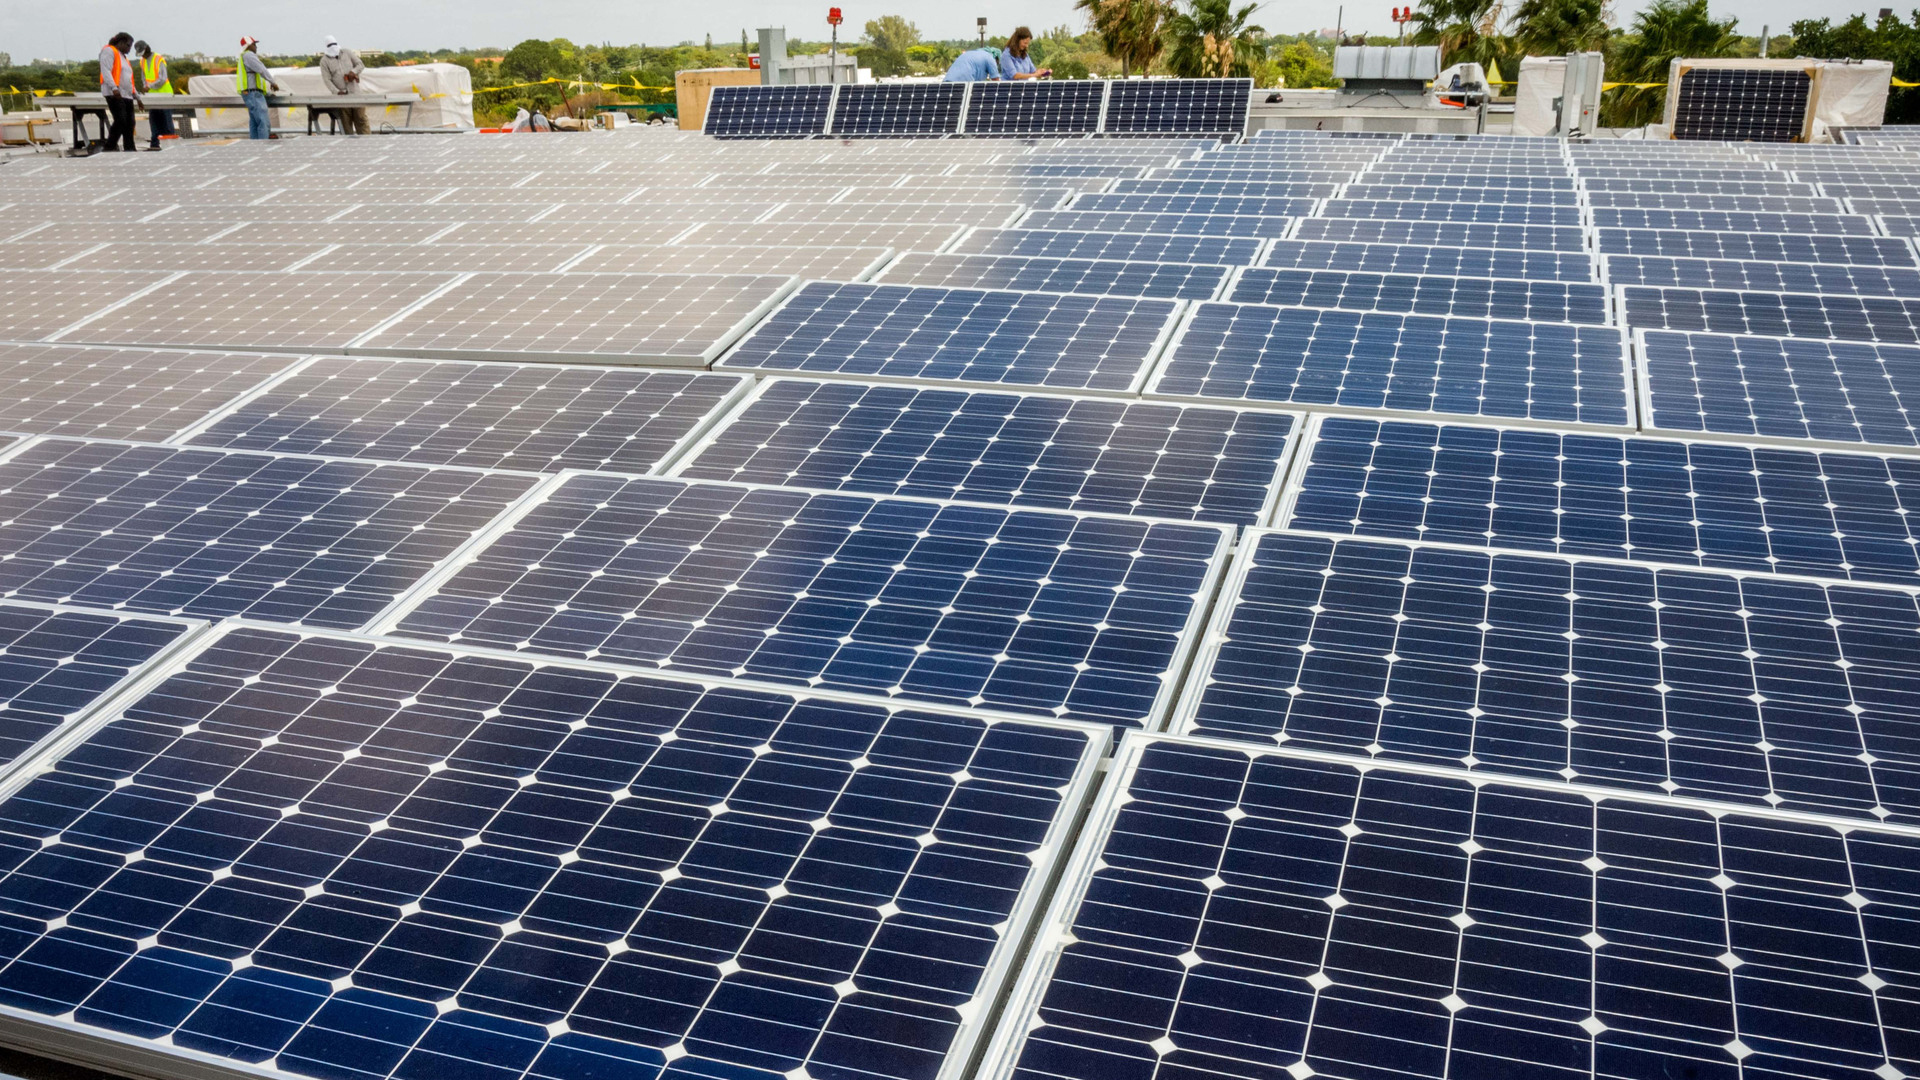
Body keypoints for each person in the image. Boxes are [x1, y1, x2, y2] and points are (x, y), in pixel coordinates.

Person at [318, 35, 369, 136]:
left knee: (361, 120)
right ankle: (349, 144)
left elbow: (360, 64)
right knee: (346, 123)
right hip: (342, 97)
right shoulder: (324, 61)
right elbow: (327, 79)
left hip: (356, 93)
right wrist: (337, 92)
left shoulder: (347, 53)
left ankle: (366, 142)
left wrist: (353, 72)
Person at [98, 32, 139, 152]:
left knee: (130, 123)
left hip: (127, 94)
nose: (129, 49)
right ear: (120, 43)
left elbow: (129, 79)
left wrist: (137, 96)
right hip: (115, 93)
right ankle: (109, 147)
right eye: (128, 45)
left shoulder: (123, 57)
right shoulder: (109, 51)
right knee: (121, 120)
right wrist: (114, 88)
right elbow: (106, 70)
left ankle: (130, 148)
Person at [236, 36, 282, 140]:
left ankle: (255, 145)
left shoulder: (244, 56)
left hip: (250, 93)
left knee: (255, 123)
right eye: (254, 44)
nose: (256, 47)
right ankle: (263, 145)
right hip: (253, 94)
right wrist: (272, 82)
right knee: (263, 122)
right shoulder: (248, 55)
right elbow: (261, 69)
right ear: (248, 45)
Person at [133, 41, 173, 150]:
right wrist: (145, 86)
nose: (143, 56)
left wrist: (149, 86)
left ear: (147, 49)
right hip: (152, 96)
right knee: (154, 122)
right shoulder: (142, 61)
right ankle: (155, 144)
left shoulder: (158, 59)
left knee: (166, 123)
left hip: (164, 95)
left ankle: (170, 144)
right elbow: (143, 77)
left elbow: (162, 78)